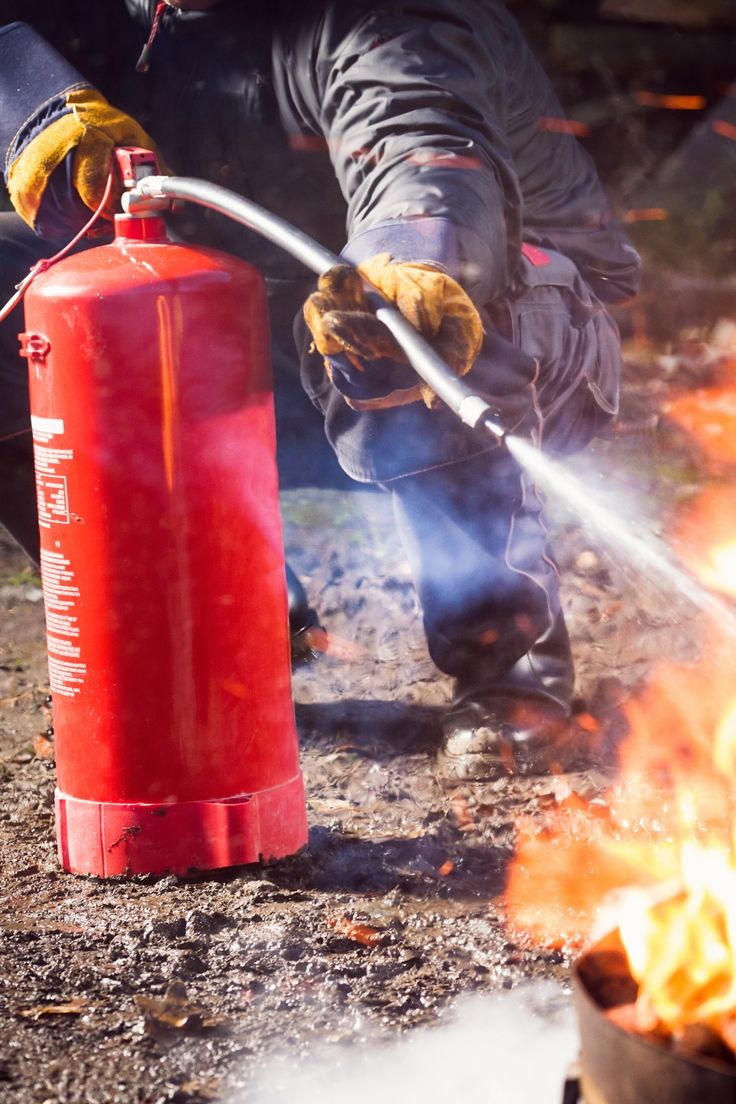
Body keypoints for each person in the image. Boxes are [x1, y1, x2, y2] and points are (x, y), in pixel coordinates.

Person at [0, 0, 641, 782]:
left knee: (401, 311)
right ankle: (222, 615)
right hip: (241, 312)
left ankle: (503, 663)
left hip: (518, 308)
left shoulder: (385, 17)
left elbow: (421, 140)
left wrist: (413, 253)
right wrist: (31, 105)